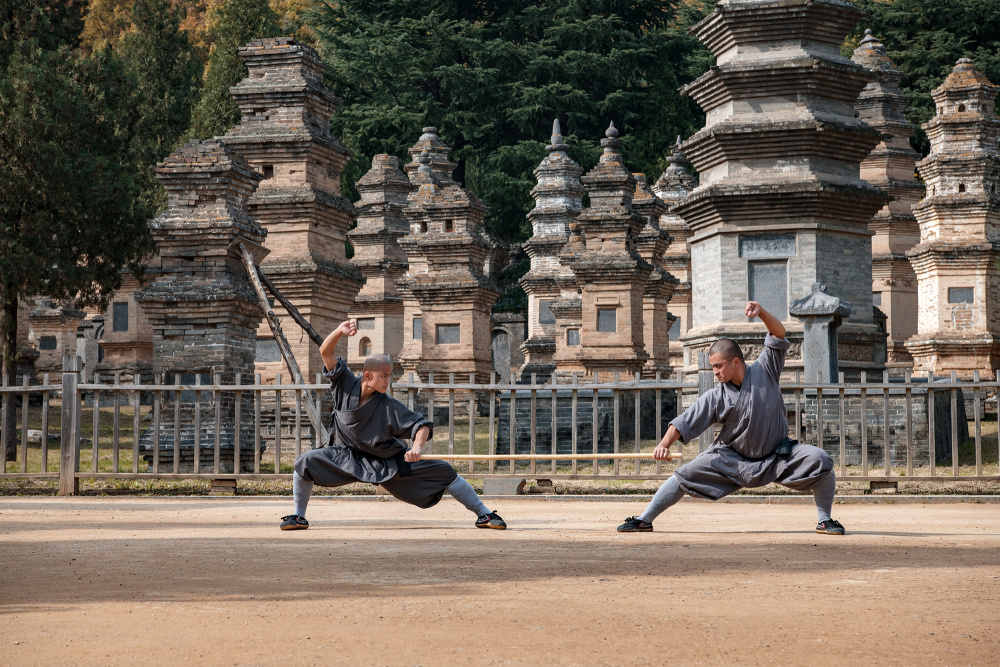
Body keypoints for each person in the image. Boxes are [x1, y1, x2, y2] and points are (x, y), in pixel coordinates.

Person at [617, 301, 845, 535]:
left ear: (736, 362)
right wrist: (664, 444)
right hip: (733, 460)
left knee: (820, 459)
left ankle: (824, 520)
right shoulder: (717, 396)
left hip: (779, 455)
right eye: (712, 367)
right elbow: (686, 420)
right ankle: (644, 519)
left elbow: (778, 333)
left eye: (719, 366)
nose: (715, 371)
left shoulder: (766, 369)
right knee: (685, 473)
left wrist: (762, 312)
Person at [281, 320, 506, 531]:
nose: (388, 381)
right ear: (367, 375)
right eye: (384, 376)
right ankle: (298, 515)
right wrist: (340, 331)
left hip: (385, 462)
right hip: (347, 456)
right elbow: (325, 352)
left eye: (390, 375)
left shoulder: (388, 405)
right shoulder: (344, 383)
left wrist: (416, 447)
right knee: (305, 461)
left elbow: (421, 425)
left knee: (444, 470)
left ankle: (484, 514)